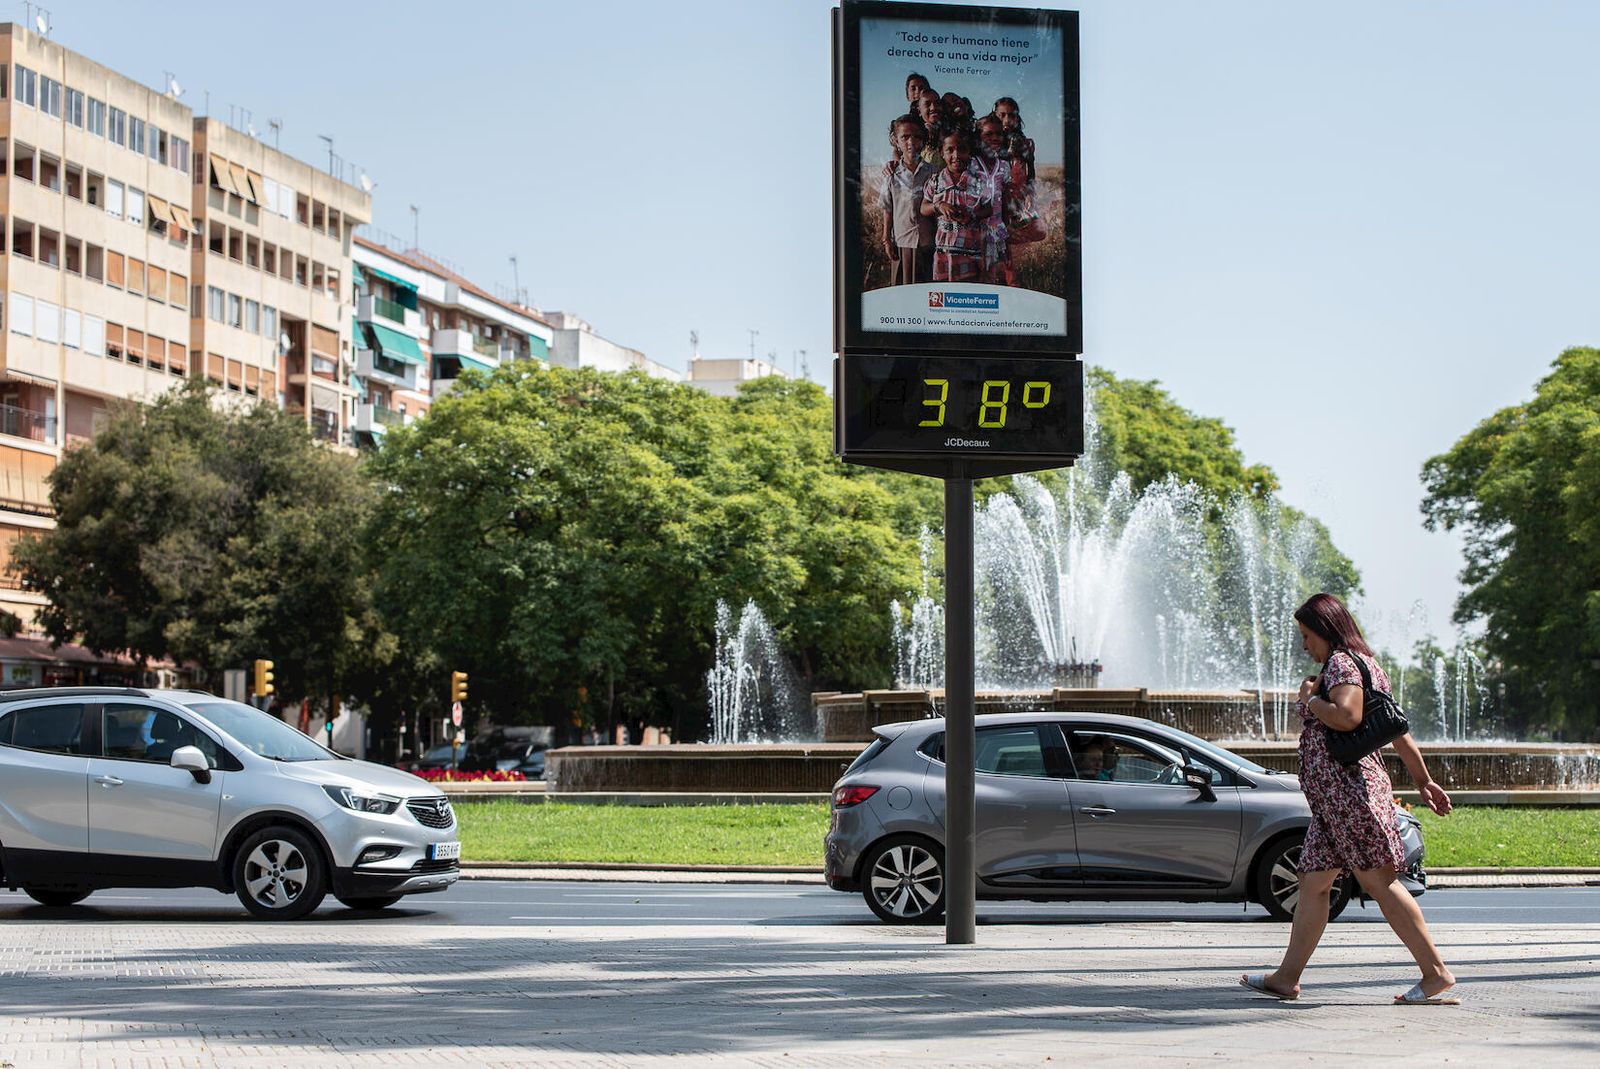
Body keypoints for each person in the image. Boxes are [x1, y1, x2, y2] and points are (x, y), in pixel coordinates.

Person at [1241, 592, 1458, 1006]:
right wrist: (1424, 780)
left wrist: (1309, 700)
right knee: (1313, 883)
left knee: (1379, 881)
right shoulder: (1367, 664)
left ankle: (1435, 973)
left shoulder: (1342, 664)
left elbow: (1347, 716)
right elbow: (1396, 729)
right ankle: (1286, 978)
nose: (1304, 645)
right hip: (1334, 805)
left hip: (1350, 798)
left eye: (1307, 636)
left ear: (1325, 630)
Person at [920, 131, 991, 283]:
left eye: (962, 149)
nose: (956, 155)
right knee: (944, 290)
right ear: (942, 153)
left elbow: (988, 209)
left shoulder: (978, 183)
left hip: (970, 252)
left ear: (970, 153)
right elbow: (923, 208)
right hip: (943, 252)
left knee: (969, 289)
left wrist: (972, 215)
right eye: (950, 150)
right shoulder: (935, 182)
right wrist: (938, 206)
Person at [878, 114, 937, 285]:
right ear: (896, 141)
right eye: (905, 137)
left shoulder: (933, 172)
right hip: (902, 242)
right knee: (903, 288)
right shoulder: (891, 175)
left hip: (928, 243)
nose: (911, 142)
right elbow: (887, 209)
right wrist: (886, 239)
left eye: (917, 137)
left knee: (928, 288)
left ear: (923, 140)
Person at [972, 115, 1015, 285]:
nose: (995, 138)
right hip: (973, 229)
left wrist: (1006, 233)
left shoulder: (1004, 166)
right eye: (989, 134)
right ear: (978, 137)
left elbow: (1004, 201)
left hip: (995, 228)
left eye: (999, 134)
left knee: (989, 273)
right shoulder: (971, 163)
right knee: (972, 274)